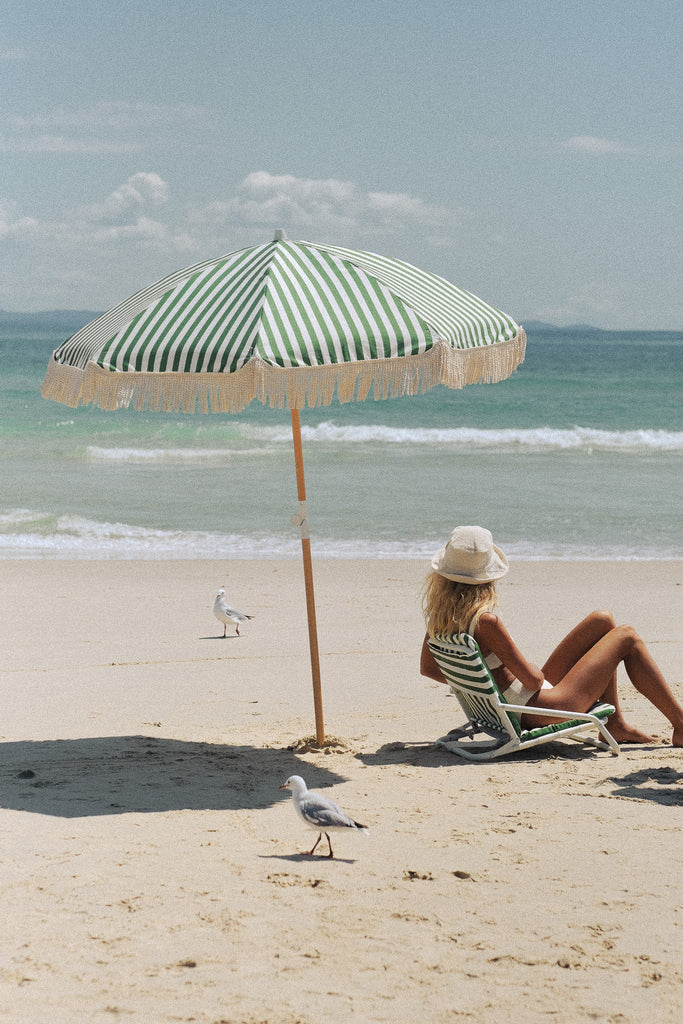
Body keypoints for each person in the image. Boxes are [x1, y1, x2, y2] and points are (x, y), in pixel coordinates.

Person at [420, 525, 683, 746]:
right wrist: (513, 681)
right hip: (541, 709)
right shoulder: (485, 622)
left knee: (602, 621)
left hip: (516, 701)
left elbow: (428, 669)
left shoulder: (441, 620)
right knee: (627, 637)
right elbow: (534, 681)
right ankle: (681, 725)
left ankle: (616, 725)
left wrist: (478, 686)